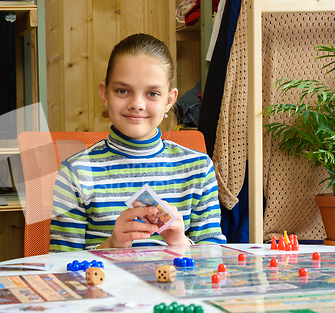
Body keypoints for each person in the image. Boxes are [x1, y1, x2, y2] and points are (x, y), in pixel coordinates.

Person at [50, 33, 226, 252]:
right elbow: (61, 267)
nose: (137, 104)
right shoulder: (75, 173)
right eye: (123, 91)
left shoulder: (199, 168)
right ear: (105, 94)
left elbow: (215, 259)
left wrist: (180, 243)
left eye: (152, 93)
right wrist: (112, 245)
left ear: (169, 101)